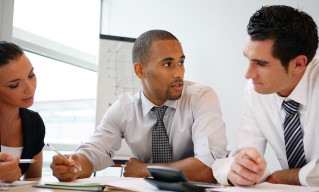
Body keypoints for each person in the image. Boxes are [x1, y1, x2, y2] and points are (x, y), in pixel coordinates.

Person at [50, 30, 228, 182]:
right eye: (168, 64)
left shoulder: (201, 97)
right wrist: (74, 167)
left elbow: (209, 167)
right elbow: (92, 154)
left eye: (181, 62)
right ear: (140, 70)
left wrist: (145, 169)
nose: (178, 73)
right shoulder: (124, 109)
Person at [212, 5, 319, 187]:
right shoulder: (255, 89)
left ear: (298, 64)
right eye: (248, 59)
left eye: (261, 64)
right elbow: (246, 158)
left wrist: (281, 177)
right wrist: (241, 171)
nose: (248, 75)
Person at [0, 41, 45, 183]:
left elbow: (33, 181)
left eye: (31, 75)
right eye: (14, 85)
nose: (30, 89)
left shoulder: (34, 123)